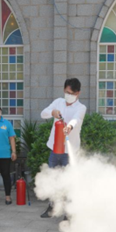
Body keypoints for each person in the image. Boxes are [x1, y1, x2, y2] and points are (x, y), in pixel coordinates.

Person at [40, 78, 87, 218]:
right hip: (55, 149)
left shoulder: (81, 108)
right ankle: (52, 207)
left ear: (78, 93)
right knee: (53, 179)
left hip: (69, 150)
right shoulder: (58, 102)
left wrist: (70, 126)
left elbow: (76, 120)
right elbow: (43, 113)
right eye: (66, 92)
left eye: (71, 93)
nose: (68, 95)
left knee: (69, 181)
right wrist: (52, 112)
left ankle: (69, 211)